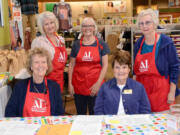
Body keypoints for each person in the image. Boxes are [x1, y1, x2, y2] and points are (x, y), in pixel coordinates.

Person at [133, 8, 180, 113]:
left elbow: (175, 68)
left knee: (162, 122)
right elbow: (135, 70)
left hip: (161, 91)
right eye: (141, 23)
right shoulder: (138, 43)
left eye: (147, 22)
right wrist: (135, 91)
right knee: (144, 121)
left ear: (155, 24)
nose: (144, 26)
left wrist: (172, 92)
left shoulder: (166, 42)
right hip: (143, 90)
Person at [5, 48, 64, 117]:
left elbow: (59, 114)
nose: (40, 65)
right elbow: (9, 112)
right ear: (31, 66)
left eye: (43, 62)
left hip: (47, 127)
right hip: (25, 127)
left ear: (47, 66)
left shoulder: (54, 87)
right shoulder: (20, 86)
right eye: (36, 62)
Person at [68, 17, 110, 115]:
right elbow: (71, 65)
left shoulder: (101, 44)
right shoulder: (76, 45)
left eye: (90, 26)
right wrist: (70, 84)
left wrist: (98, 84)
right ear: (81, 28)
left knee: (95, 115)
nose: (87, 28)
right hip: (78, 86)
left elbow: (105, 65)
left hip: (95, 86)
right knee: (81, 114)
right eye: (85, 26)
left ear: (94, 28)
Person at [94, 50, 151, 115]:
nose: (121, 71)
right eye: (117, 67)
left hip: (133, 124)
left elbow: (145, 110)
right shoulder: (104, 87)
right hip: (110, 124)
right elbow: (98, 110)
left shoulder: (139, 87)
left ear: (129, 69)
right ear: (113, 69)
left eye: (124, 67)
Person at [31, 11, 67, 92]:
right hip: (45, 83)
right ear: (42, 27)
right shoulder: (39, 42)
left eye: (51, 23)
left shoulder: (61, 40)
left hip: (59, 81)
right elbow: (33, 65)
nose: (50, 26)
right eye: (46, 24)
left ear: (55, 23)